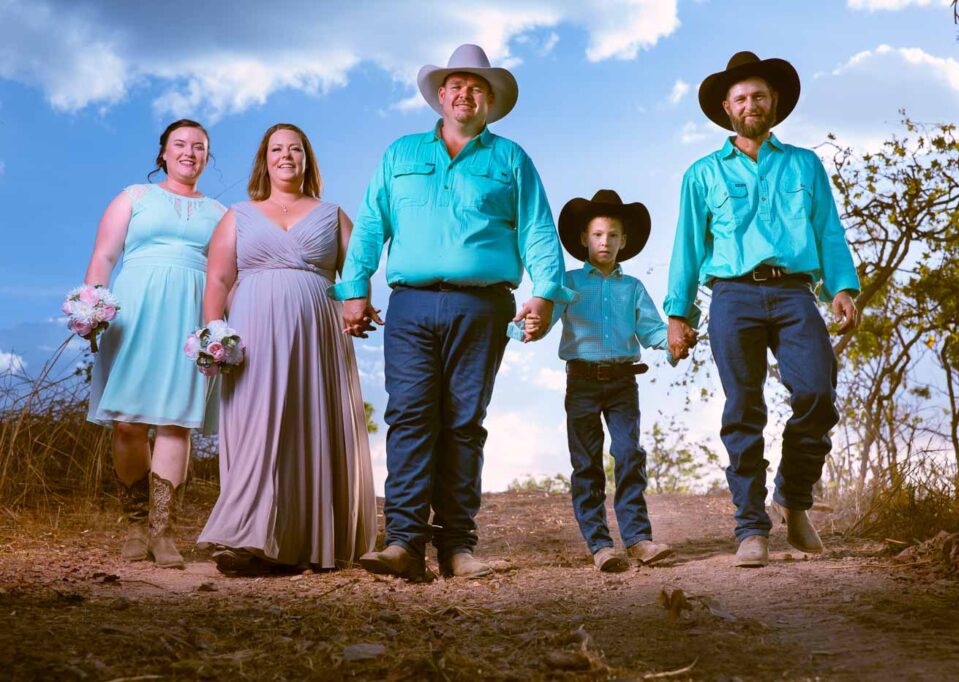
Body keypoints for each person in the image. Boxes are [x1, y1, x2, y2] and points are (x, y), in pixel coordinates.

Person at [332, 44, 575, 580]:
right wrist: (354, 288)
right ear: (441, 95)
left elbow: (538, 228)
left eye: (477, 87)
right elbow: (372, 223)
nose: (465, 94)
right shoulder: (401, 154)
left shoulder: (511, 159)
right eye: (456, 86)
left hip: (483, 306)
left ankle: (458, 547)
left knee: (464, 424)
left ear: (489, 99)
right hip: (411, 305)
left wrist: (545, 294)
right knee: (411, 416)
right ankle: (403, 543)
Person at [665, 52, 860, 567]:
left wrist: (842, 288)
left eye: (760, 96)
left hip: (796, 293)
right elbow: (686, 246)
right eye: (742, 98)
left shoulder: (804, 164)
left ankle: (794, 502)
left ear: (774, 104)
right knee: (744, 409)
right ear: (727, 108)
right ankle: (751, 528)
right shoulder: (702, 174)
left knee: (817, 392)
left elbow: (828, 231)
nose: (752, 104)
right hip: (733, 296)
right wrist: (678, 315)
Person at [198, 123, 376, 574]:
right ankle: (247, 534)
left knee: (308, 423)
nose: (286, 156)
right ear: (265, 160)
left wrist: (358, 305)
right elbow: (218, 278)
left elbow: (355, 274)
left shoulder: (332, 213)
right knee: (258, 428)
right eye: (277, 149)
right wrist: (212, 335)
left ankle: (302, 539)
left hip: (318, 335)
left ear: (307, 160)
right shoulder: (238, 214)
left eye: (295, 149)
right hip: (252, 336)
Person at [85, 119, 224, 569]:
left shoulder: (222, 214)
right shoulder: (135, 197)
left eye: (199, 146)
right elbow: (105, 255)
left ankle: (163, 532)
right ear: (163, 152)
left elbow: (227, 275)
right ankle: (135, 523)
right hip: (134, 312)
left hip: (190, 317)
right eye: (179, 144)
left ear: (207, 156)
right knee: (126, 422)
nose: (189, 152)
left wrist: (217, 330)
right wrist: (91, 308)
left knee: (176, 422)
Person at [518, 190, 675, 572]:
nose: (605, 242)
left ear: (625, 242)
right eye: (598, 235)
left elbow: (653, 330)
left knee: (628, 454)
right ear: (584, 240)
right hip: (582, 384)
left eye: (614, 236)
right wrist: (527, 327)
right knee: (586, 464)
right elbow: (543, 321)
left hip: (624, 383)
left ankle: (638, 539)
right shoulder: (568, 283)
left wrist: (675, 342)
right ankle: (600, 545)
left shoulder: (632, 287)